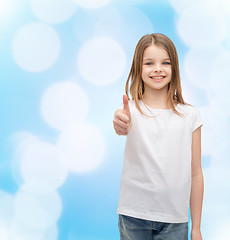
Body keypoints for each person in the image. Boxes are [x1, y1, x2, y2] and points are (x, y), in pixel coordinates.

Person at [113, 33, 204, 240]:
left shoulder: (190, 115)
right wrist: (120, 124)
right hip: (133, 216)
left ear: (175, 68)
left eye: (165, 62)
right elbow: (120, 126)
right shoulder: (129, 111)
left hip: (175, 220)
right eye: (149, 63)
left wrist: (196, 227)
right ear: (139, 67)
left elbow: (196, 173)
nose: (157, 69)